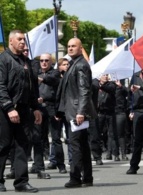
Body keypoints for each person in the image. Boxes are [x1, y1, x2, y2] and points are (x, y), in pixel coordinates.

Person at [0, 30, 42, 192]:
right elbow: (1, 85)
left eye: (24, 39)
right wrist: (9, 107)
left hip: (25, 110)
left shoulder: (27, 62)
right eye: (19, 39)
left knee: (22, 146)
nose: (23, 42)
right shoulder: (3, 60)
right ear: (11, 41)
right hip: (5, 110)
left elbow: (32, 88)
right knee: (3, 146)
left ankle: (21, 182)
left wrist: (36, 108)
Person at [56, 37, 96, 188]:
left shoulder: (81, 65)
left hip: (76, 111)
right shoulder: (74, 64)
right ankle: (87, 177)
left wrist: (80, 112)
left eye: (73, 46)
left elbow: (85, 90)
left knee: (75, 145)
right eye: (68, 46)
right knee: (82, 144)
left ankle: (75, 177)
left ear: (81, 49)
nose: (70, 48)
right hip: (73, 110)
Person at [36, 53, 67, 174]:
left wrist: (42, 79)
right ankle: (39, 165)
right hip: (39, 109)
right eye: (42, 60)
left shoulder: (54, 73)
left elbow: (53, 81)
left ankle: (61, 165)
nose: (44, 62)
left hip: (52, 108)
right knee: (38, 138)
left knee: (56, 138)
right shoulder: (36, 73)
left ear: (51, 62)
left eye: (46, 60)